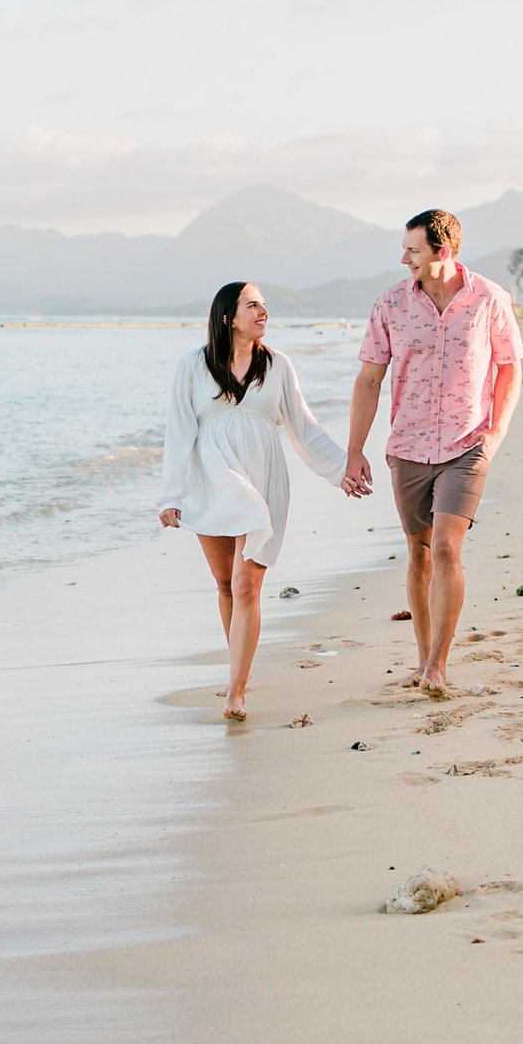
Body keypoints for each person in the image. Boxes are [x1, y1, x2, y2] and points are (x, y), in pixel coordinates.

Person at [340, 209, 523, 697]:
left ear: (443, 251)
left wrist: (496, 432)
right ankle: (422, 658)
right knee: (419, 552)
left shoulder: (490, 299)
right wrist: (354, 450)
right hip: (408, 446)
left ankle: (439, 665)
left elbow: (509, 368)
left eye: (413, 250)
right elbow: (369, 379)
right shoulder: (391, 305)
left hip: (468, 443)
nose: (404, 259)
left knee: (446, 547)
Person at [159, 280, 347, 721]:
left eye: (264, 304)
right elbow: (179, 431)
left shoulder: (278, 365)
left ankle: (236, 693)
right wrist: (171, 494)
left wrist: (342, 470)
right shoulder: (193, 365)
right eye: (253, 305)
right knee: (226, 585)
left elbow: (304, 426)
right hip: (211, 483)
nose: (264, 311)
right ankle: (237, 672)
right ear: (228, 317)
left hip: (262, 483)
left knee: (247, 585)